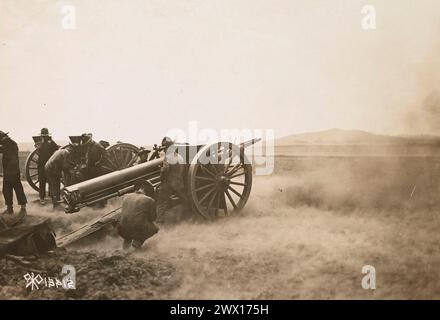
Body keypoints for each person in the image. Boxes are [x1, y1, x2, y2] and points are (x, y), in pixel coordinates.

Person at [156, 137, 191, 223]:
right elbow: (184, 170)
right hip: (179, 183)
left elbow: (165, 169)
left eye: (165, 148)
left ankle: (160, 221)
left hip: (168, 183)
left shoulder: (167, 158)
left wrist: (161, 177)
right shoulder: (180, 157)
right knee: (185, 199)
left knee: (161, 202)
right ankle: (187, 217)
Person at [117, 184, 159, 250]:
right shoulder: (149, 200)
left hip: (121, 229)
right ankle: (137, 243)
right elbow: (153, 218)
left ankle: (125, 248)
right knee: (155, 228)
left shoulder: (126, 196)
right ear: (146, 191)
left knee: (128, 231)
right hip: (136, 228)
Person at [0, 131, 27, 215]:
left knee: (6, 189)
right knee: (18, 188)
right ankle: (23, 209)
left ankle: (10, 209)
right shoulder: (13, 143)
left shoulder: (5, 144)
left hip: (9, 171)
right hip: (15, 170)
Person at [44, 144, 79, 208]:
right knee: (56, 186)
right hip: (53, 169)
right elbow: (65, 166)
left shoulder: (61, 150)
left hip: (48, 167)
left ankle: (55, 202)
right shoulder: (66, 153)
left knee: (52, 185)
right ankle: (56, 205)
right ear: (73, 150)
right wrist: (71, 170)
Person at [35, 128, 59, 205]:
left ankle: (50, 195)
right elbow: (38, 149)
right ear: (42, 136)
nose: (45, 137)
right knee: (42, 181)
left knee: (50, 181)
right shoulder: (39, 143)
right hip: (41, 165)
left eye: (45, 135)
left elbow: (57, 149)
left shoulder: (51, 142)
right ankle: (42, 197)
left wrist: (50, 142)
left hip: (49, 165)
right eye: (43, 135)